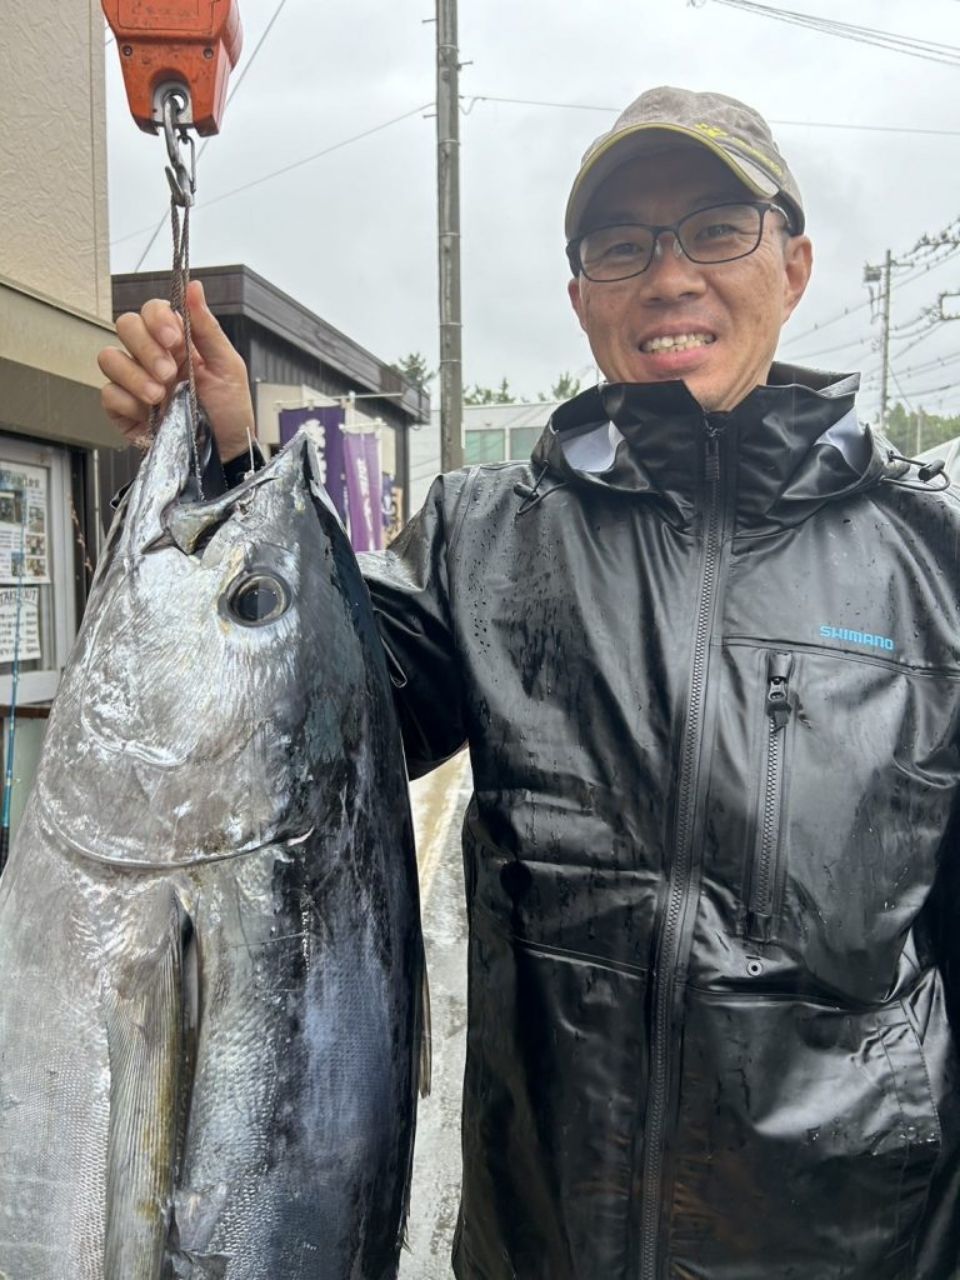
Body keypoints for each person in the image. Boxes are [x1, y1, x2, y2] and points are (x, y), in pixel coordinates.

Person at [98, 87, 960, 1280]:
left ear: (795, 263)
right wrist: (232, 469)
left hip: (859, 1246)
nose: (669, 276)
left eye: (716, 226)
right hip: (546, 1238)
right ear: (580, 296)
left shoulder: (932, 558)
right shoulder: (486, 535)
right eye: (623, 243)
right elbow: (317, 708)